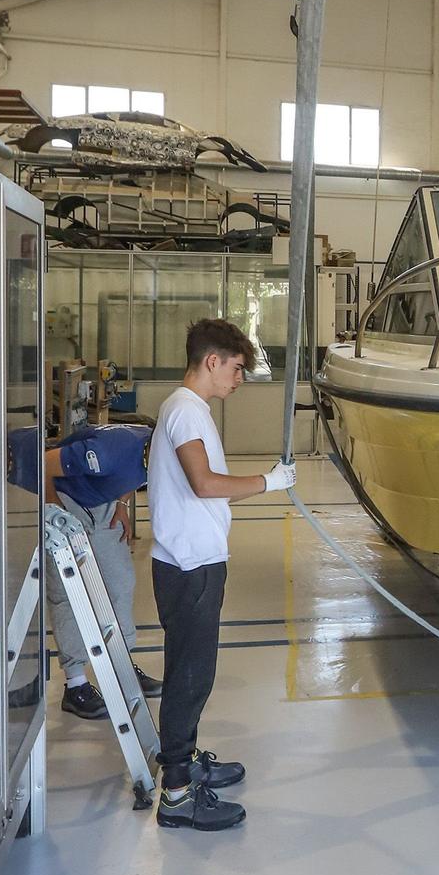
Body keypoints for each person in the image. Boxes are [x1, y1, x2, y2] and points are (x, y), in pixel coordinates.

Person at [147, 318, 293, 834]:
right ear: (212, 361)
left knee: (193, 673)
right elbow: (206, 484)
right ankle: (178, 795)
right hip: (189, 566)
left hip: (194, 560)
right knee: (189, 677)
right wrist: (270, 482)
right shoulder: (186, 411)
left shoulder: (186, 410)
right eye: (236, 369)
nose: (239, 379)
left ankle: (186, 763)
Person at [0, 414, 160, 720]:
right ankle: (76, 685)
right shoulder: (146, 446)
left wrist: (116, 505)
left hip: (85, 505)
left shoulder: (150, 449)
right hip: (74, 502)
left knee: (118, 584)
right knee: (65, 596)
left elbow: (131, 468)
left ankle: (122, 666)